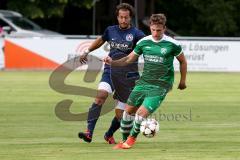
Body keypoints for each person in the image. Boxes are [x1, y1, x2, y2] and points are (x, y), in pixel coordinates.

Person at [103, 13, 187, 149]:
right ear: (150, 28)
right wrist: (113, 62)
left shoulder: (172, 44)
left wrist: (182, 81)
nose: (155, 33)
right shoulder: (144, 42)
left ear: (164, 28)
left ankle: (131, 139)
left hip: (161, 85)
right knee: (127, 112)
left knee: (140, 113)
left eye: (158, 30)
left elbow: (182, 61)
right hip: (144, 82)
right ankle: (124, 140)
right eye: (153, 29)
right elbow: (129, 59)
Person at [78, 3, 145, 144]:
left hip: (128, 76)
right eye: (121, 17)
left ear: (130, 18)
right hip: (110, 71)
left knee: (124, 114)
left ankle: (109, 134)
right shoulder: (110, 30)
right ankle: (89, 132)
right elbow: (100, 40)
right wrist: (87, 51)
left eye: (126, 17)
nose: (123, 20)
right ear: (117, 17)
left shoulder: (137, 34)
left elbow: (148, 45)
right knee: (101, 96)